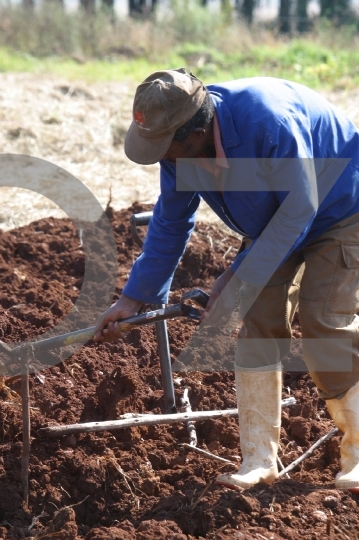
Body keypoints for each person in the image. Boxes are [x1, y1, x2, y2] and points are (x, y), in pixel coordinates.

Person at [94, 68, 359, 491]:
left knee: (323, 321)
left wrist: (237, 275)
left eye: (165, 148)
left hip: (341, 210)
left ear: (194, 133)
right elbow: (171, 220)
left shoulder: (267, 122)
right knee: (257, 321)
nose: (163, 158)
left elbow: (300, 211)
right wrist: (134, 297)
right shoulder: (180, 153)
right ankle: (259, 461)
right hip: (275, 219)